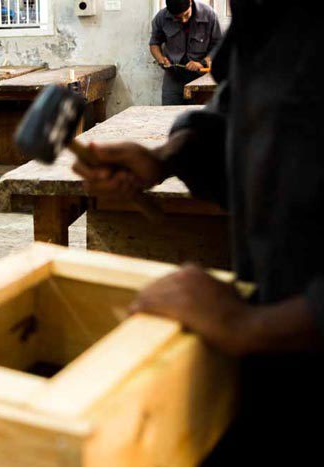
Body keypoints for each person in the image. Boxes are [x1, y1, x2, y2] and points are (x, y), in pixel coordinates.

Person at [75, 1, 322, 463]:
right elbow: (241, 114)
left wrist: (253, 325)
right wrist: (166, 157)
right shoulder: (265, 18)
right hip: (268, 346)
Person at [149, 0, 222, 105]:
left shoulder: (209, 15)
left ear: (190, 2)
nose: (183, 20)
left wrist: (202, 63)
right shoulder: (161, 17)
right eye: (178, 18)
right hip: (173, 77)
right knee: (169, 113)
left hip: (200, 77)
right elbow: (154, 43)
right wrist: (161, 59)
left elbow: (218, 45)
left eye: (186, 15)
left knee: (199, 115)